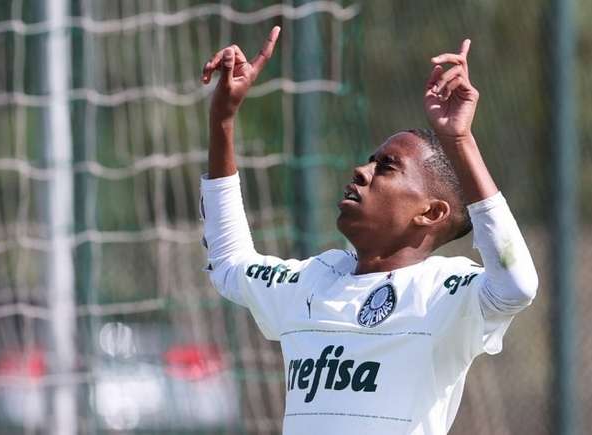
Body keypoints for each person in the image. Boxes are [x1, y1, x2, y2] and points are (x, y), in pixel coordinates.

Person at [199, 26, 538, 435]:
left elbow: (517, 284)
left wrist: (460, 139)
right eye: (370, 160)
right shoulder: (309, 283)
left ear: (431, 213)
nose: (363, 171)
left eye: (387, 167)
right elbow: (230, 263)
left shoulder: (444, 292)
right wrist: (223, 120)